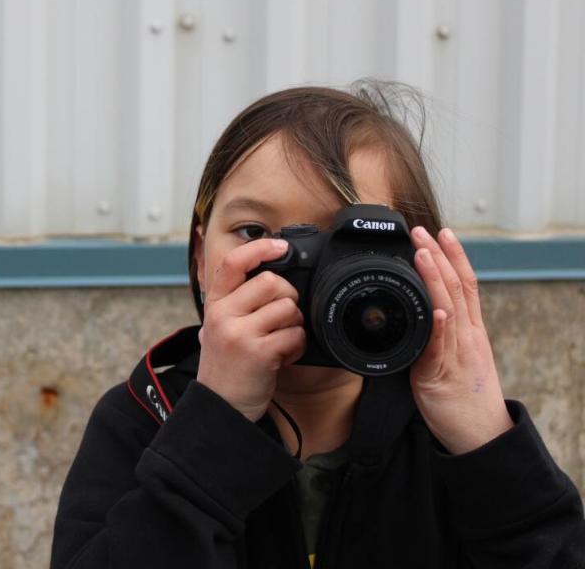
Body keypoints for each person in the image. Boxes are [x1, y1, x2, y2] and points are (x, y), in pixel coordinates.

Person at [50, 82, 585, 568]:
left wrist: (488, 443)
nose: (303, 266)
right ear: (198, 256)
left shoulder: (448, 435)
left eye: (350, 241)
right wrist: (214, 426)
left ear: (421, 265)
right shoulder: (146, 418)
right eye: (254, 229)